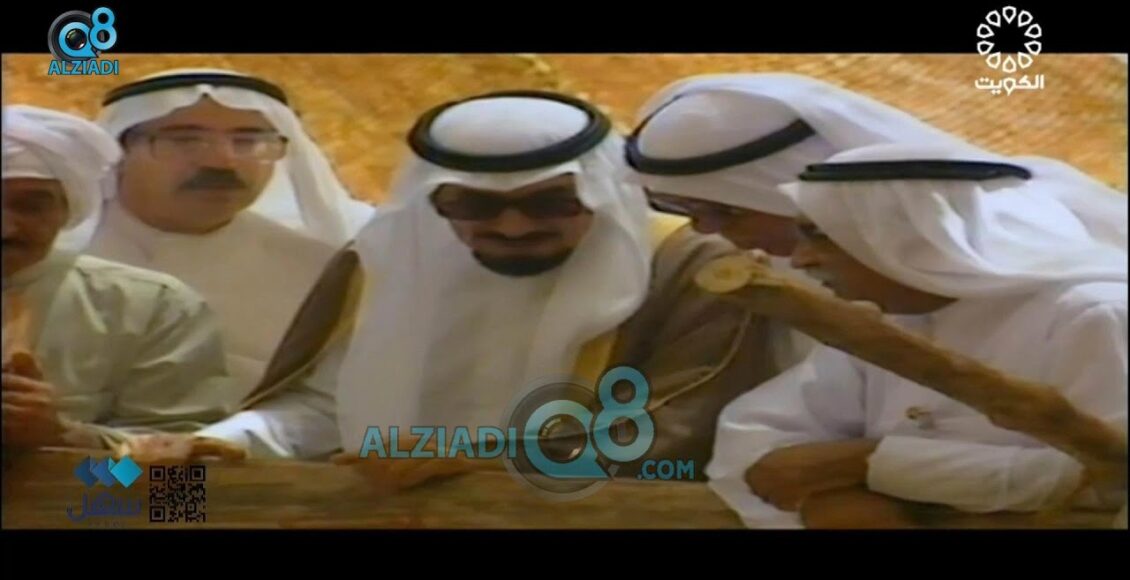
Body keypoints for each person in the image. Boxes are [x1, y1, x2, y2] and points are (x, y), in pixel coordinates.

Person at [197, 91, 786, 488]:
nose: (513, 227)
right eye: (473, 206)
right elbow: (325, 409)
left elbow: (676, 433)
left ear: (601, 194)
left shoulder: (687, 265)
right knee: (157, 497)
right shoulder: (384, 260)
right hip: (387, 509)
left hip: (589, 519)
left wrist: (481, 461)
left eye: (550, 203)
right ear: (435, 201)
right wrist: (226, 441)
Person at [706, 142, 1127, 528]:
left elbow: (1107, 475)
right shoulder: (891, 318)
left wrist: (870, 463)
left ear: (911, 234)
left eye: (821, 236)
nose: (800, 260)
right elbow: (756, 438)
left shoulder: (1093, 314)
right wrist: (836, 500)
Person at [81, 69, 365, 398]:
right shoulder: (53, 250)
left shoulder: (317, 269)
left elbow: (322, 403)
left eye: (248, 141)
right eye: (185, 140)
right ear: (118, 151)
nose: (222, 161)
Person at [626, 73, 1126, 256]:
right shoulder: (795, 265)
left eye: (725, 211)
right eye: (682, 209)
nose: (704, 231)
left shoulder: (1033, 250)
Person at [2, 105, 234, 451]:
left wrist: (63, 437)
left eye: (31, 206)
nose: (7, 228)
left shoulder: (153, 307)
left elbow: (188, 466)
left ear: (68, 209)